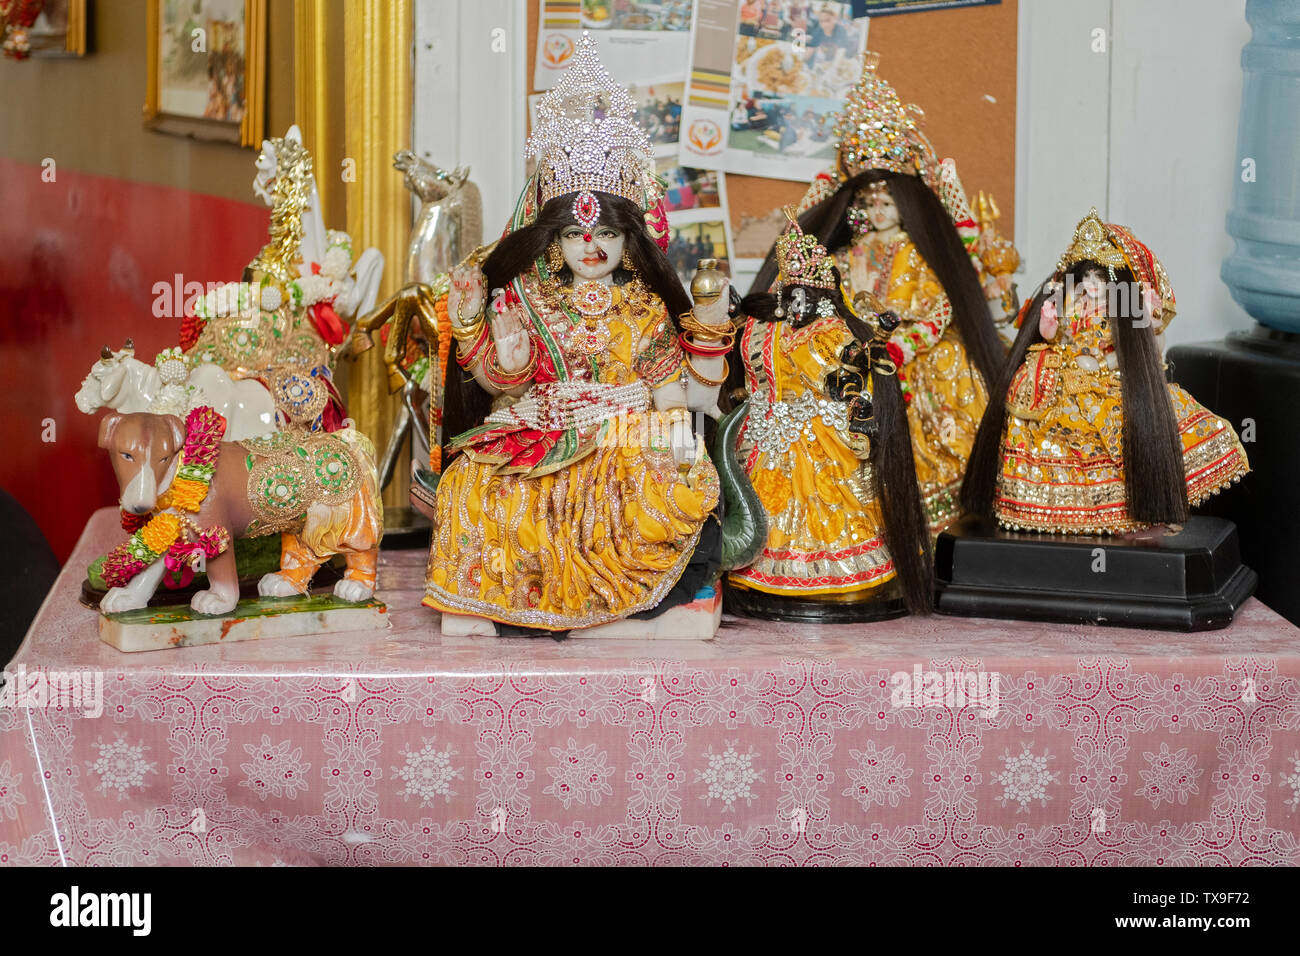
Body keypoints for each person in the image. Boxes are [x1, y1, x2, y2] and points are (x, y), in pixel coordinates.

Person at [426, 35, 739, 634]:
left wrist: (677, 434)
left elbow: (673, 394)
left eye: (605, 235)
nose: (591, 248)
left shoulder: (644, 304)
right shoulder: (527, 296)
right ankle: (498, 605)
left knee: (657, 479)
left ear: (629, 238)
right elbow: (502, 390)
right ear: (552, 239)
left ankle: (641, 606)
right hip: (542, 425)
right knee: (472, 479)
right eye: (573, 235)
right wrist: (495, 353)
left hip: (625, 428)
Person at [747, 53, 1006, 532]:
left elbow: (941, 303)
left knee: (953, 368)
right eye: (871, 202)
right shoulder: (848, 254)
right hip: (852, 346)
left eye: (888, 201)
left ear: (904, 203)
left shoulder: (919, 250)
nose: (880, 210)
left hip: (915, 347)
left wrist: (906, 344)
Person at [961, 209, 1250, 533]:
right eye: (1085, 279)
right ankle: (1049, 502)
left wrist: (1145, 330)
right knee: (1036, 414)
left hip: (1106, 379)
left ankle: (1125, 505)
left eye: (1099, 279)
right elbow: (1054, 337)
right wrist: (1049, 327)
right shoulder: (1070, 305)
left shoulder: (1120, 311)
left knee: (1117, 423)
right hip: (1065, 378)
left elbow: (1152, 349)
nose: (1091, 286)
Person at [728, 212, 931, 619]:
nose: (794, 306)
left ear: (823, 299)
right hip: (768, 434)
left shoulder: (831, 331)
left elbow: (844, 369)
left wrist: (874, 344)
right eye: (789, 297)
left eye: (803, 298)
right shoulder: (767, 328)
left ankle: (837, 573)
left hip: (821, 434)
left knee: (830, 500)